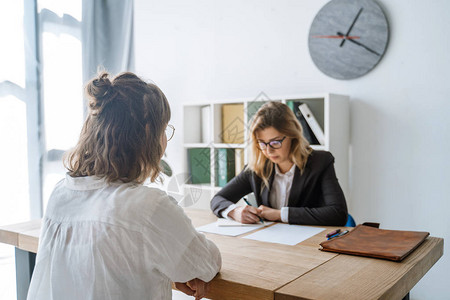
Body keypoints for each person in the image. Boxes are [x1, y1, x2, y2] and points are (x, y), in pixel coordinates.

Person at [27, 72, 221, 300]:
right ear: (148, 133)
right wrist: (176, 266)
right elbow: (206, 263)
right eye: (164, 130)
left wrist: (169, 265)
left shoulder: (61, 193)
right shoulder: (148, 206)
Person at [210, 101, 347, 225]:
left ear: (293, 136)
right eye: (262, 143)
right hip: (271, 244)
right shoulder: (256, 168)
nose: (268, 150)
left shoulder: (320, 162)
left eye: (275, 142)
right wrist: (235, 211)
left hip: (309, 244)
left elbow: (338, 213)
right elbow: (218, 199)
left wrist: (279, 214)